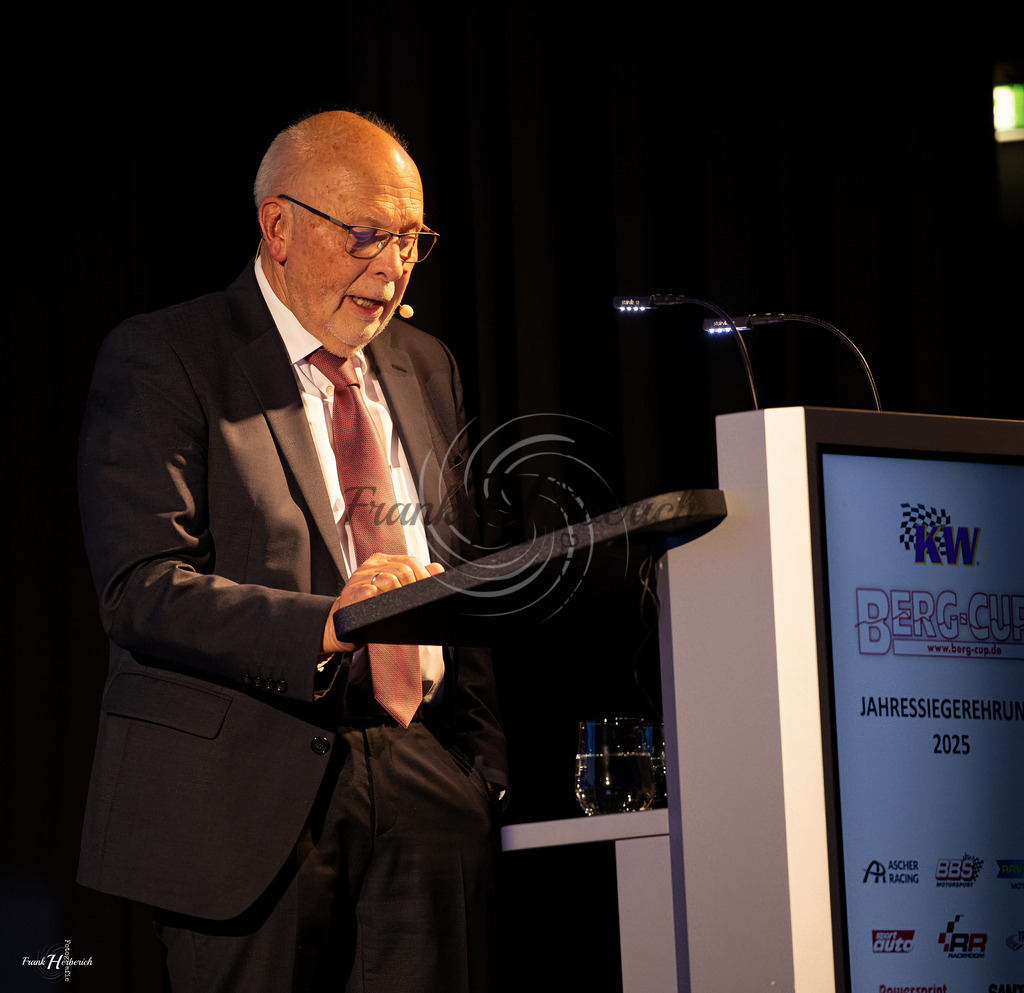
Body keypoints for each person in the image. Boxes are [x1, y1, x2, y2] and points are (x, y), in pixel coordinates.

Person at [76, 110, 508, 993]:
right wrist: (333, 622)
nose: (391, 269)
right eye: (365, 236)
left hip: (425, 781)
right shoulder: (169, 356)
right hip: (245, 795)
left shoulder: (427, 365)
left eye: (410, 240)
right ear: (278, 227)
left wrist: (478, 769)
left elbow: (460, 567)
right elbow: (141, 587)